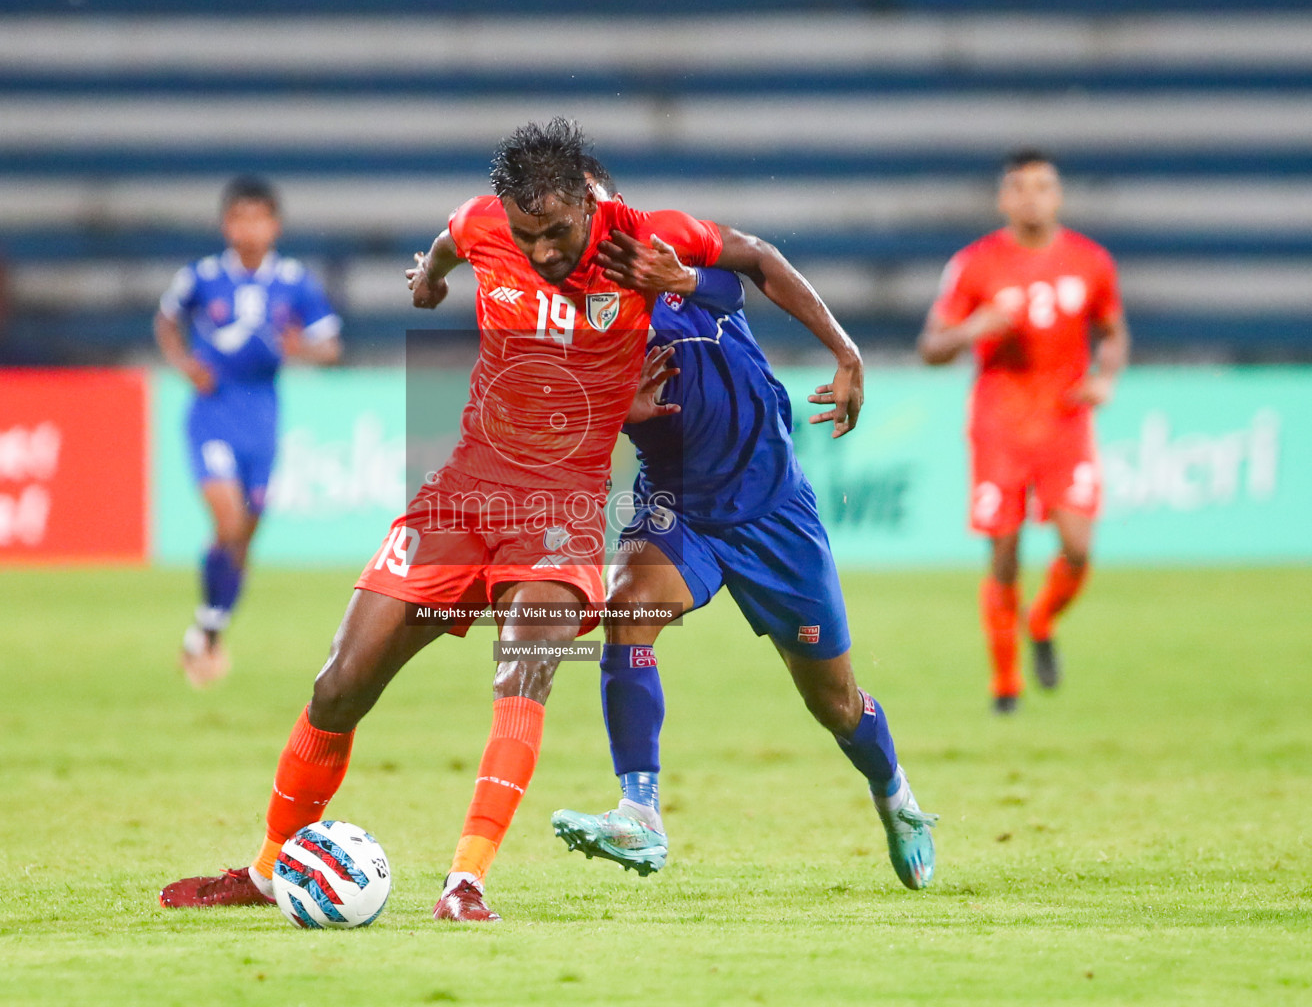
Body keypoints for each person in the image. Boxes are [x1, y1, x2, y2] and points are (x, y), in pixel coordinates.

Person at [158, 118, 861, 922]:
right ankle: (262, 870)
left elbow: (750, 269)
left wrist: (840, 351)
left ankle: (465, 882)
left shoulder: (646, 239)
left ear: (588, 206)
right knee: (339, 685)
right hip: (463, 493)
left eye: (557, 233)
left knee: (519, 674)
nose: (544, 253)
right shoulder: (486, 223)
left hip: (562, 511)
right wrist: (430, 280)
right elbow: (452, 242)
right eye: (527, 235)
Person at [549, 164, 937, 890]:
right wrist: (612, 411)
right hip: (678, 503)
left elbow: (752, 266)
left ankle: (897, 799)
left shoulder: (667, 240)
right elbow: (558, 425)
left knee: (836, 704)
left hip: (773, 511)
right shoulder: (569, 309)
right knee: (627, 613)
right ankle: (640, 811)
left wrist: (846, 353)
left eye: (598, 210)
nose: (596, 233)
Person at [917, 149, 1128, 713]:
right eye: (1020, 187)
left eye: (1042, 186)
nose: (1031, 197)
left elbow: (1112, 332)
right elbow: (931, 348)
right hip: (1000, 427)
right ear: (1004, 198)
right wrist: (974, 328)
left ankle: (1041, 620)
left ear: (1057, 195)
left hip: (1065, 423)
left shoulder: (1091, 262)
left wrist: (1106, 376)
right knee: (1004, 557)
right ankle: (1006, 686)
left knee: (1079, 549)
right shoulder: (975, 265)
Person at [154, 176, 342, 687]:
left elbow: (331, 346)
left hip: (262, 417)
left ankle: (207, 629)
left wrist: (298, 347)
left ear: (275, 225)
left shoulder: (295, 280)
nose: (250, 227)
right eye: (241, 217)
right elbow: (166, 320)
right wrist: (184, 364)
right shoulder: (203, 276)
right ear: (226, 224)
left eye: (259, 217)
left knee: (244, 538)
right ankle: (209, 628)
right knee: (229, 522)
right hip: (212, 411)